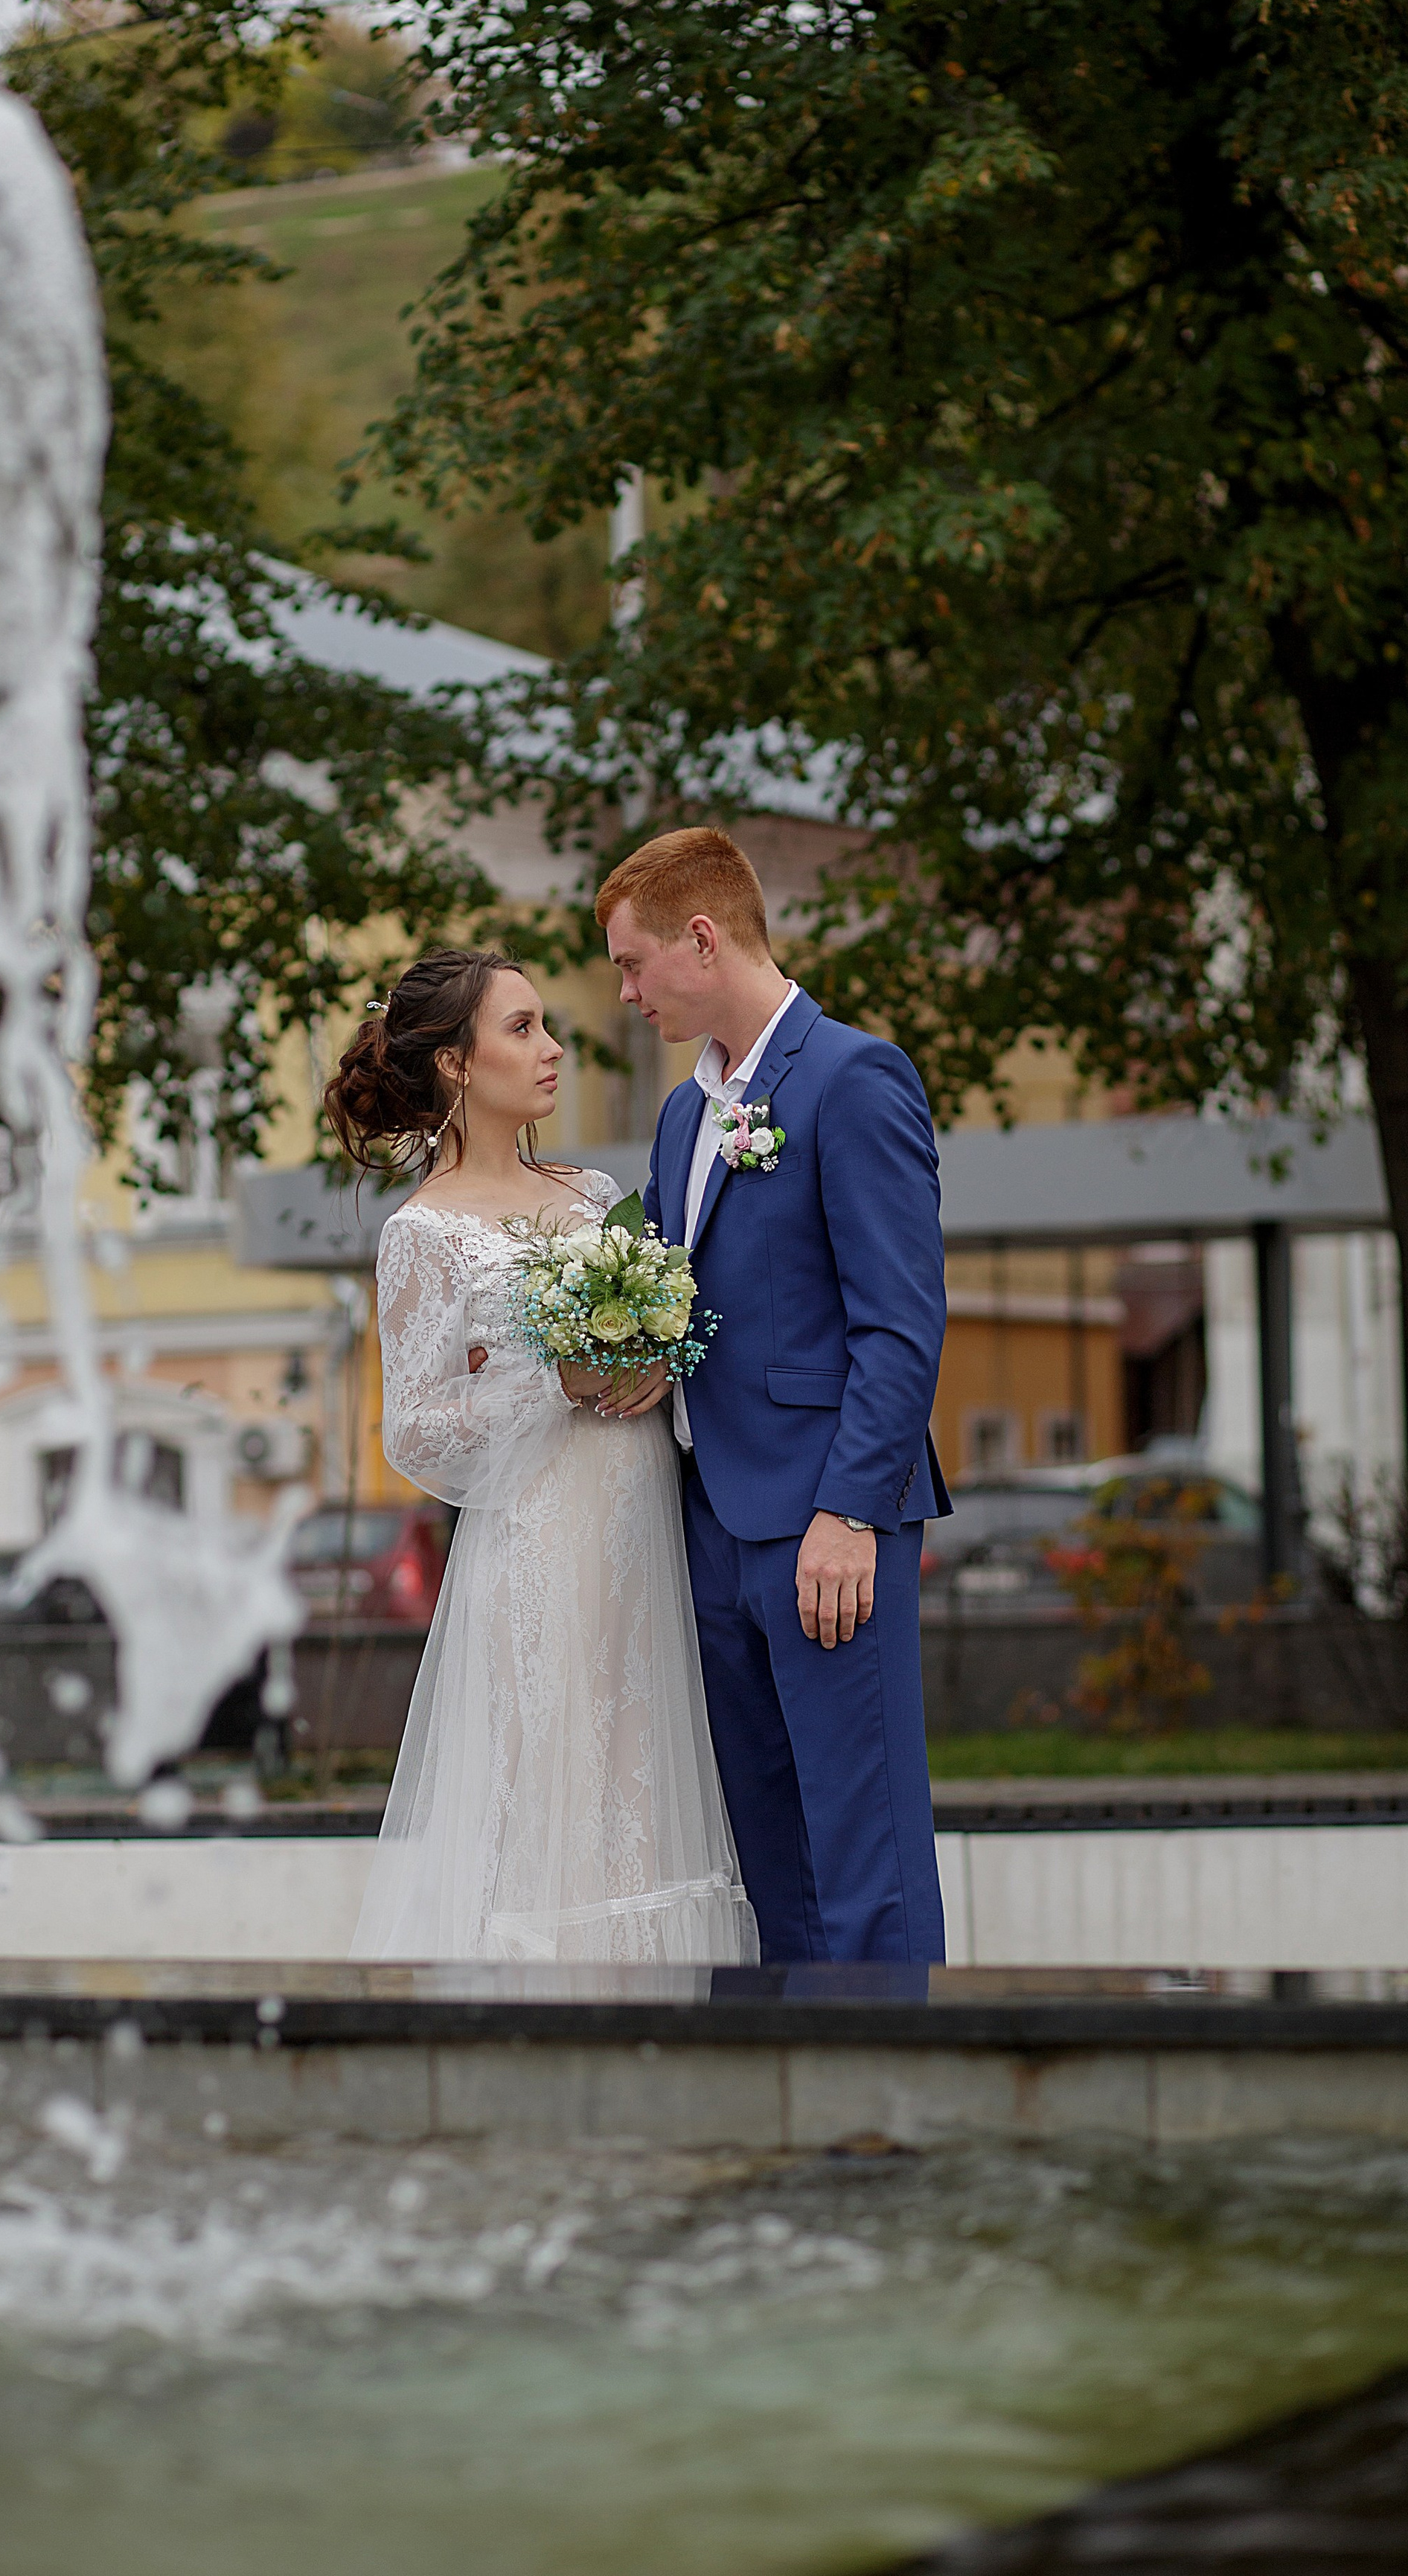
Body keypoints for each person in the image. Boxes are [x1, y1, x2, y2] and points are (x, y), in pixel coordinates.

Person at [330, 946, 758, 1965]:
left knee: (644, 1785)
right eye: (522, 1029)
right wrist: (551, 1383)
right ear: (457, 1067)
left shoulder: (593, 1189)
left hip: (646, 1531)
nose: (555, 1049)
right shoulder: (423, 1235)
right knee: (552, 1798)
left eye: (547, 1025)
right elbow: (417, 1429)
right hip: (540, 1546)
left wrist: (658, 1362)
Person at [599, 827, 951, 1964]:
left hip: (823, 1524)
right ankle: (806, 2123)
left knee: (867, 1856)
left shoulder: (855, 1078)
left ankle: (893, 2125)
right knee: (772, 1866)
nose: (626, 990)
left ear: (702, 939)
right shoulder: (682, 1114)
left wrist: (851, 1512)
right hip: (710, 1523)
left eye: (633, 962)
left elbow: (899, 1324)